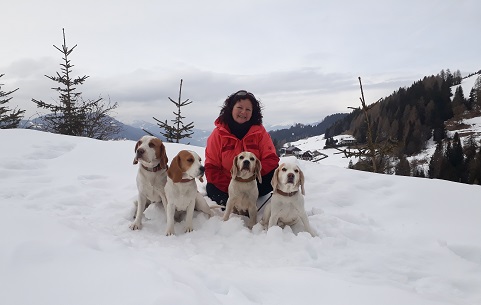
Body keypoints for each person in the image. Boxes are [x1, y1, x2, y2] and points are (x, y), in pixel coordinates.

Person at [205, 90, 280, 206]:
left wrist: (252, 176)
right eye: (239, 107)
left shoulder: (260, 132)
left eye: (248, 109)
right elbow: (211, 168)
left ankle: (249, 200)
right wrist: (233, 185)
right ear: (231, 109)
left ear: (253, 113)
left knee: (275, 173)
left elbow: (271, 159)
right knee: (211, 187)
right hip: (228, 184)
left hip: (254, 182)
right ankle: (232, 205)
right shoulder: (218, 134)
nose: (243, 112)